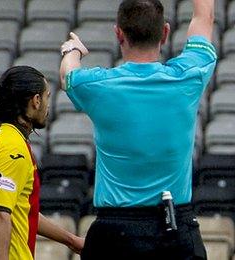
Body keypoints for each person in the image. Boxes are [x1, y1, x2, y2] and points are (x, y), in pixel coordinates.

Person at [58, 0, 216, 258]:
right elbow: (204, 17)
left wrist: (72, 50)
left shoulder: (98, 85)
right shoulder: (189, 73)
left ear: (118, 33)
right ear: (165, 32)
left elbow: (67, 76)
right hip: (174, 229)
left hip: (115, 234)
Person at [0, 66, 84, 259]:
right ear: (36, 101)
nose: (47, 104)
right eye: (46, 96)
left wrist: (71, 240)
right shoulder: (13, 149)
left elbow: (22, 210)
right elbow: (0, 215)